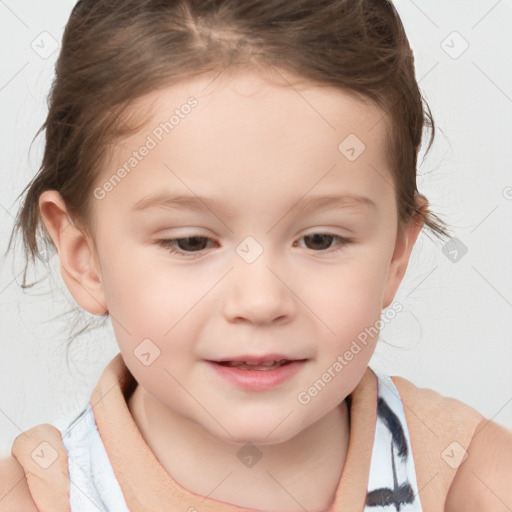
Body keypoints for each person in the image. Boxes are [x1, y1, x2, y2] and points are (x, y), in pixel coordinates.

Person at [1, 0, 511, 510]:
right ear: (83, 255)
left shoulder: (472, 479)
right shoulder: (31, 498)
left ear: (397, 255)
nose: (262, 301)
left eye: (320, 240)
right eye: (191, 242)